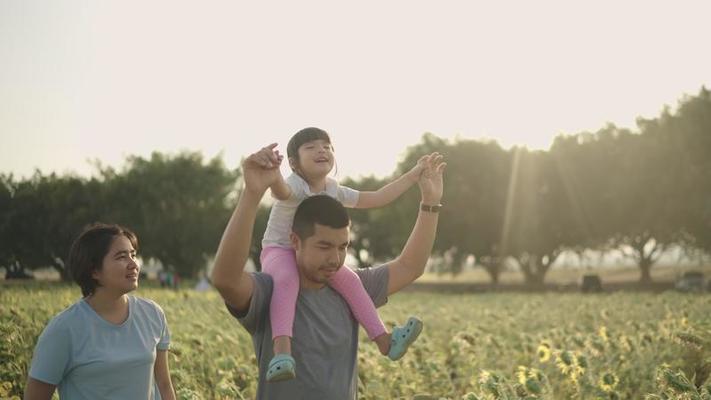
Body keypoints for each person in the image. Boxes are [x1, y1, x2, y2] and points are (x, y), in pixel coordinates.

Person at [211, 143, 445, 399]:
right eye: (324, 246)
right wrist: (252, 194)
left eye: (343, 247)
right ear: (295, 241)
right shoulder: (270, 290)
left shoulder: (354, 286)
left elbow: (410, 266)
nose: (335, 258)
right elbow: (224, 279)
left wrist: (430, 204)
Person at [256, 127, 429, 382]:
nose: (321, 150)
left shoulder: (333, 189)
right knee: (286, 280)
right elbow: (281, 192)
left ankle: (386, 341)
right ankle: (282, 353)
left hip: (314, 255)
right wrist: (272, 175)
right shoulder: (295, 184)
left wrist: (413, 177)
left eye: (326, 146)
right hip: (279, 250)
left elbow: (377, 198)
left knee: (351, 281)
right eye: (311, 147)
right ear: (293, 163)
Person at [24, 223, 176, 400]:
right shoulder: (64, 329)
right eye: (121, 257)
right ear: (94, 270)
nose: (133, 264)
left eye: (133, 255)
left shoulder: (153, 314)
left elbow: (164, 385)